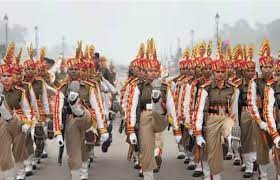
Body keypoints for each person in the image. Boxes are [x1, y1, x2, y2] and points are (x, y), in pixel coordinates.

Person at [126, 38, 182, 180]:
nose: (151, 73)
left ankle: (157, 153)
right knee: (145, 149)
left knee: (158, 135)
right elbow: (132, 108)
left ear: (159, 71)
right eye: (149, 70)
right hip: (145, 117)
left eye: (154, 70)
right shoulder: (138, 87)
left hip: (159, 117)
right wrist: (131, 130)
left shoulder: (165, 87)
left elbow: (172, 108)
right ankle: (148, 175)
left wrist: (177, 130)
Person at [53, 41, 109, 180]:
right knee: (74, 150)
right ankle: (77, 175)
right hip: (70, 121)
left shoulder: (90, 86)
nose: (74, 71)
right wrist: (58, 132)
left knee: (84, 116)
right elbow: (57, 110)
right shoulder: (62, 88)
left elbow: (98, 106)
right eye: (71, 69)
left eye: (77, 69)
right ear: (67, 70)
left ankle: (77, 108)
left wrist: (102, 129)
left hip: (88, 118)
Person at [193, 42, 240, 180]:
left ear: (226, 72)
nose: (220, 74)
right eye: (217, 71)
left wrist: (235, 125)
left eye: (222, 72)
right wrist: (197, 132)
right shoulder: (206, 88)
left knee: (230, 128)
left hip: (226, 118)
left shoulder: (233, 88)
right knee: (212, 152)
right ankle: (211, 176)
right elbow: (199, 110)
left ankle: (232, 141)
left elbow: (234, 110)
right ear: (213, 72)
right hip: (211, 119)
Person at [0, 42, 33, 180]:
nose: (6, 78)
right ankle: (8, 175)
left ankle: (20, 171)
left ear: (12, 77)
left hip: (18, 122)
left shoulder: (20, 91)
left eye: (8, 75)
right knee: (4, 150)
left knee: (18, 149)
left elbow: (27, 110)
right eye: (3, 76)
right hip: (2, 123)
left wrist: (29, 123)